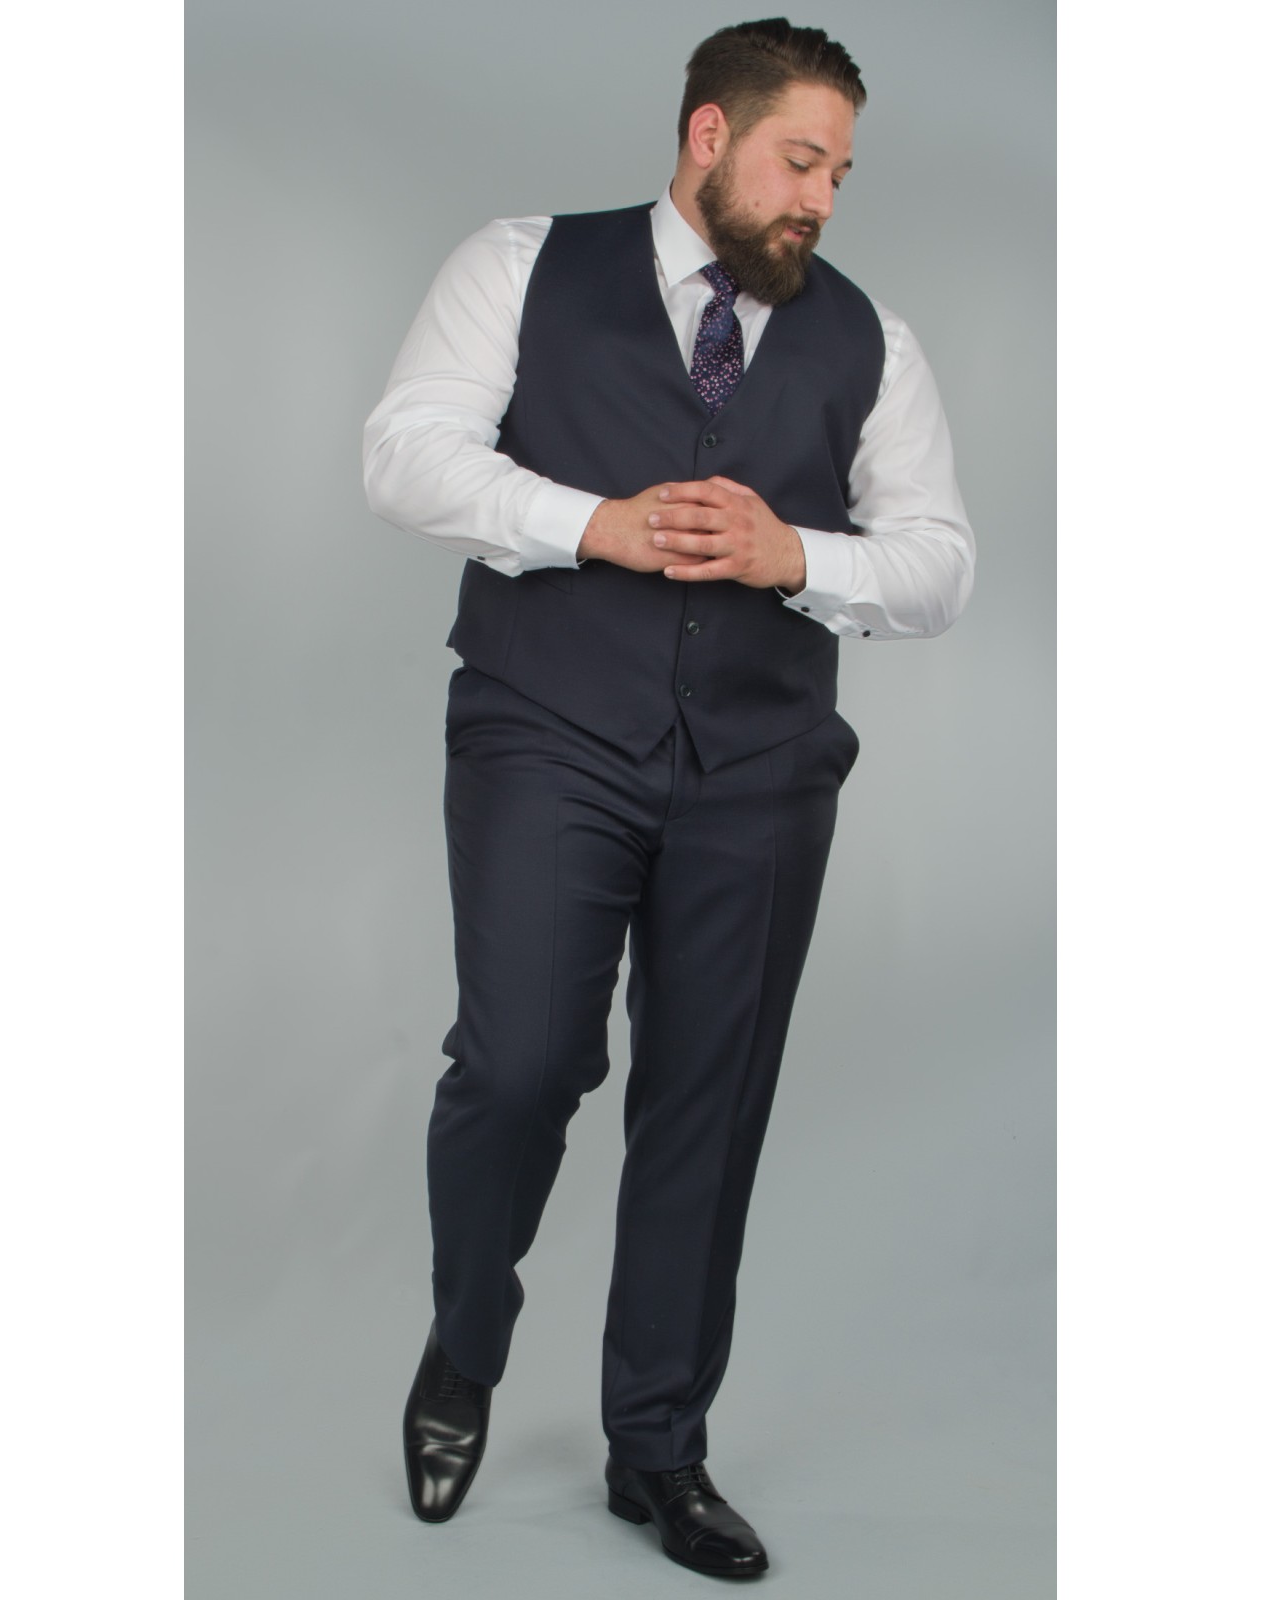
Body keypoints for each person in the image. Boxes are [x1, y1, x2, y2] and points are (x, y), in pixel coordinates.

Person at [362, 16, 974, 1579]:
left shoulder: (872, 341)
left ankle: (659, 1447)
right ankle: (465, 1343)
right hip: (548, 731)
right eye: (800, 160)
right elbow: (406, 455)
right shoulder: (520, 265)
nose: (821, 198)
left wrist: (794, 556)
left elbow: (937, 565)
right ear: (709, 135)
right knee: (518, 1065)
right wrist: (594, 524)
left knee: (709, 1101)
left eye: (839, 173)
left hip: (762, 772)